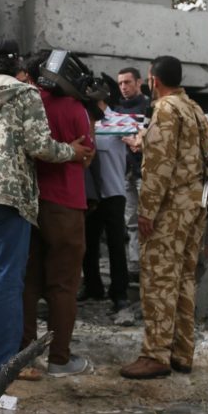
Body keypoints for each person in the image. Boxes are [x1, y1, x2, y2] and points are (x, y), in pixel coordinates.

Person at [0, 44, 92, 379]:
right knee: (6, 278)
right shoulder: (24, 94)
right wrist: (72, 151)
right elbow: (40, 146)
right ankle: (4, 362)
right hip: (11, 195)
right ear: (17, 68)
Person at [121, 55, 208, 380]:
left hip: (170, 208)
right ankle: (182, 353)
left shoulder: (165, 109)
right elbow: (194, 155)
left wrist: (146, 211)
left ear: (153, 81)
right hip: (194, 206)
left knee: (159, 279)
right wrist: (144, 144)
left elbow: (160, 167)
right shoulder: (195, 110)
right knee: (185, 278)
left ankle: (156, 354)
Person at [21, 53, 95, 376]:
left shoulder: (28, 102)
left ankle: (24, 358)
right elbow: (87, 157)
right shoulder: (75, 108)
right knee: (63, 286)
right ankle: (59, 360)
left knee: (29, 284)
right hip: (66, 205)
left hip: (29, 204)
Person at [80, 98, 130, 312]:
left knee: (116, 245)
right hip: (91, 194)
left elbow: (131, 137)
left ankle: (119, 292)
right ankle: (93, 286)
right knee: (88, 244)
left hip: (113, 192)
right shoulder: (82, 120)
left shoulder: (120, 121)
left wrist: (136, 139)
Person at [115, 67, 150, 276]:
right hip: (126, 173)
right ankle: (136, 264)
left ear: (139, 82)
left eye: (127, 82)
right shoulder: (117, 111)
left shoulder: (150, 107)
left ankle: (149, 263)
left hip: (145, 172)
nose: (123, 87)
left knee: (148, 219)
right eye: (120, 83)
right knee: (131, 222)